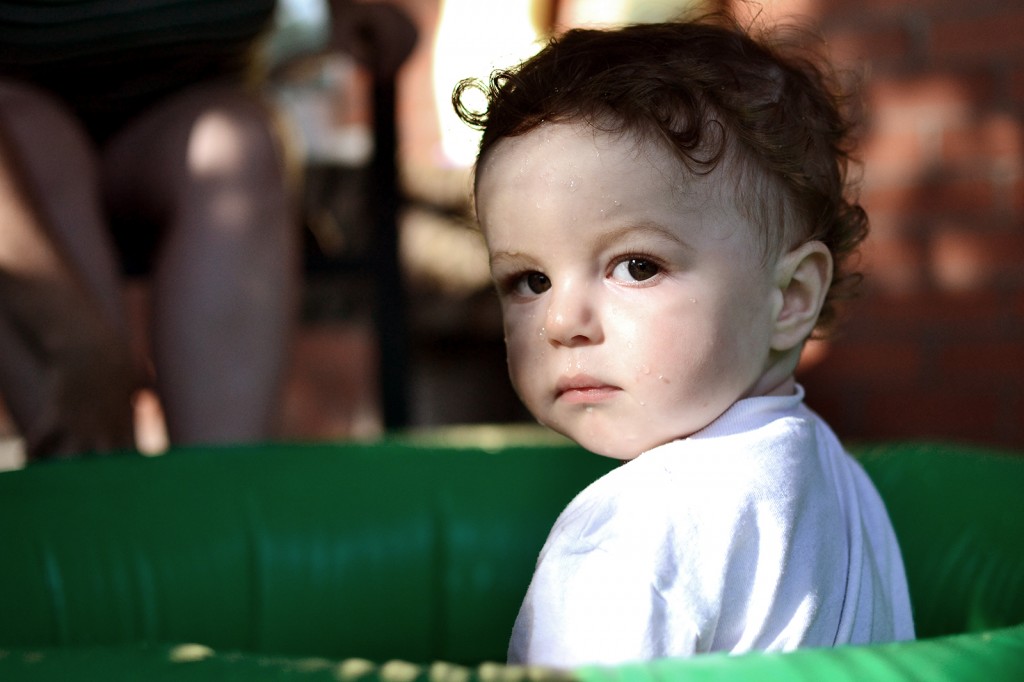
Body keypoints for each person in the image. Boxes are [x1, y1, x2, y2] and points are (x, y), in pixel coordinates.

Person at [453, 12, 915, 668]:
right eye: (529, 279)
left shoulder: (633, 534)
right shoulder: (843, 488)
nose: (560, 323)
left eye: (637, 266)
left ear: (789, 298)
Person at [0, 0, 415, 460]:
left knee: (240, 148)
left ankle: (218, 489)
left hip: (188, 113)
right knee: (35, 146)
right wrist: (75, 341)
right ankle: (92, 486)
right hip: (18, 134)